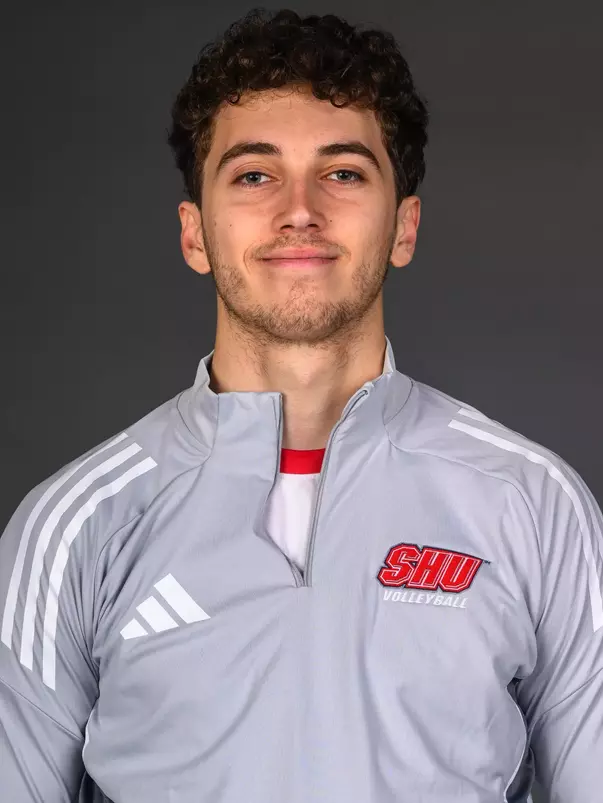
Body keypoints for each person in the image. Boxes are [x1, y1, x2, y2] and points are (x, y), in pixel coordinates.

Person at [0, 7, 601, 802]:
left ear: (403, 227)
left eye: (343, 172)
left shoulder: (535, 505)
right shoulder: (74, 526)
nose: (299, 210)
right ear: (194, 234)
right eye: (253, 174)